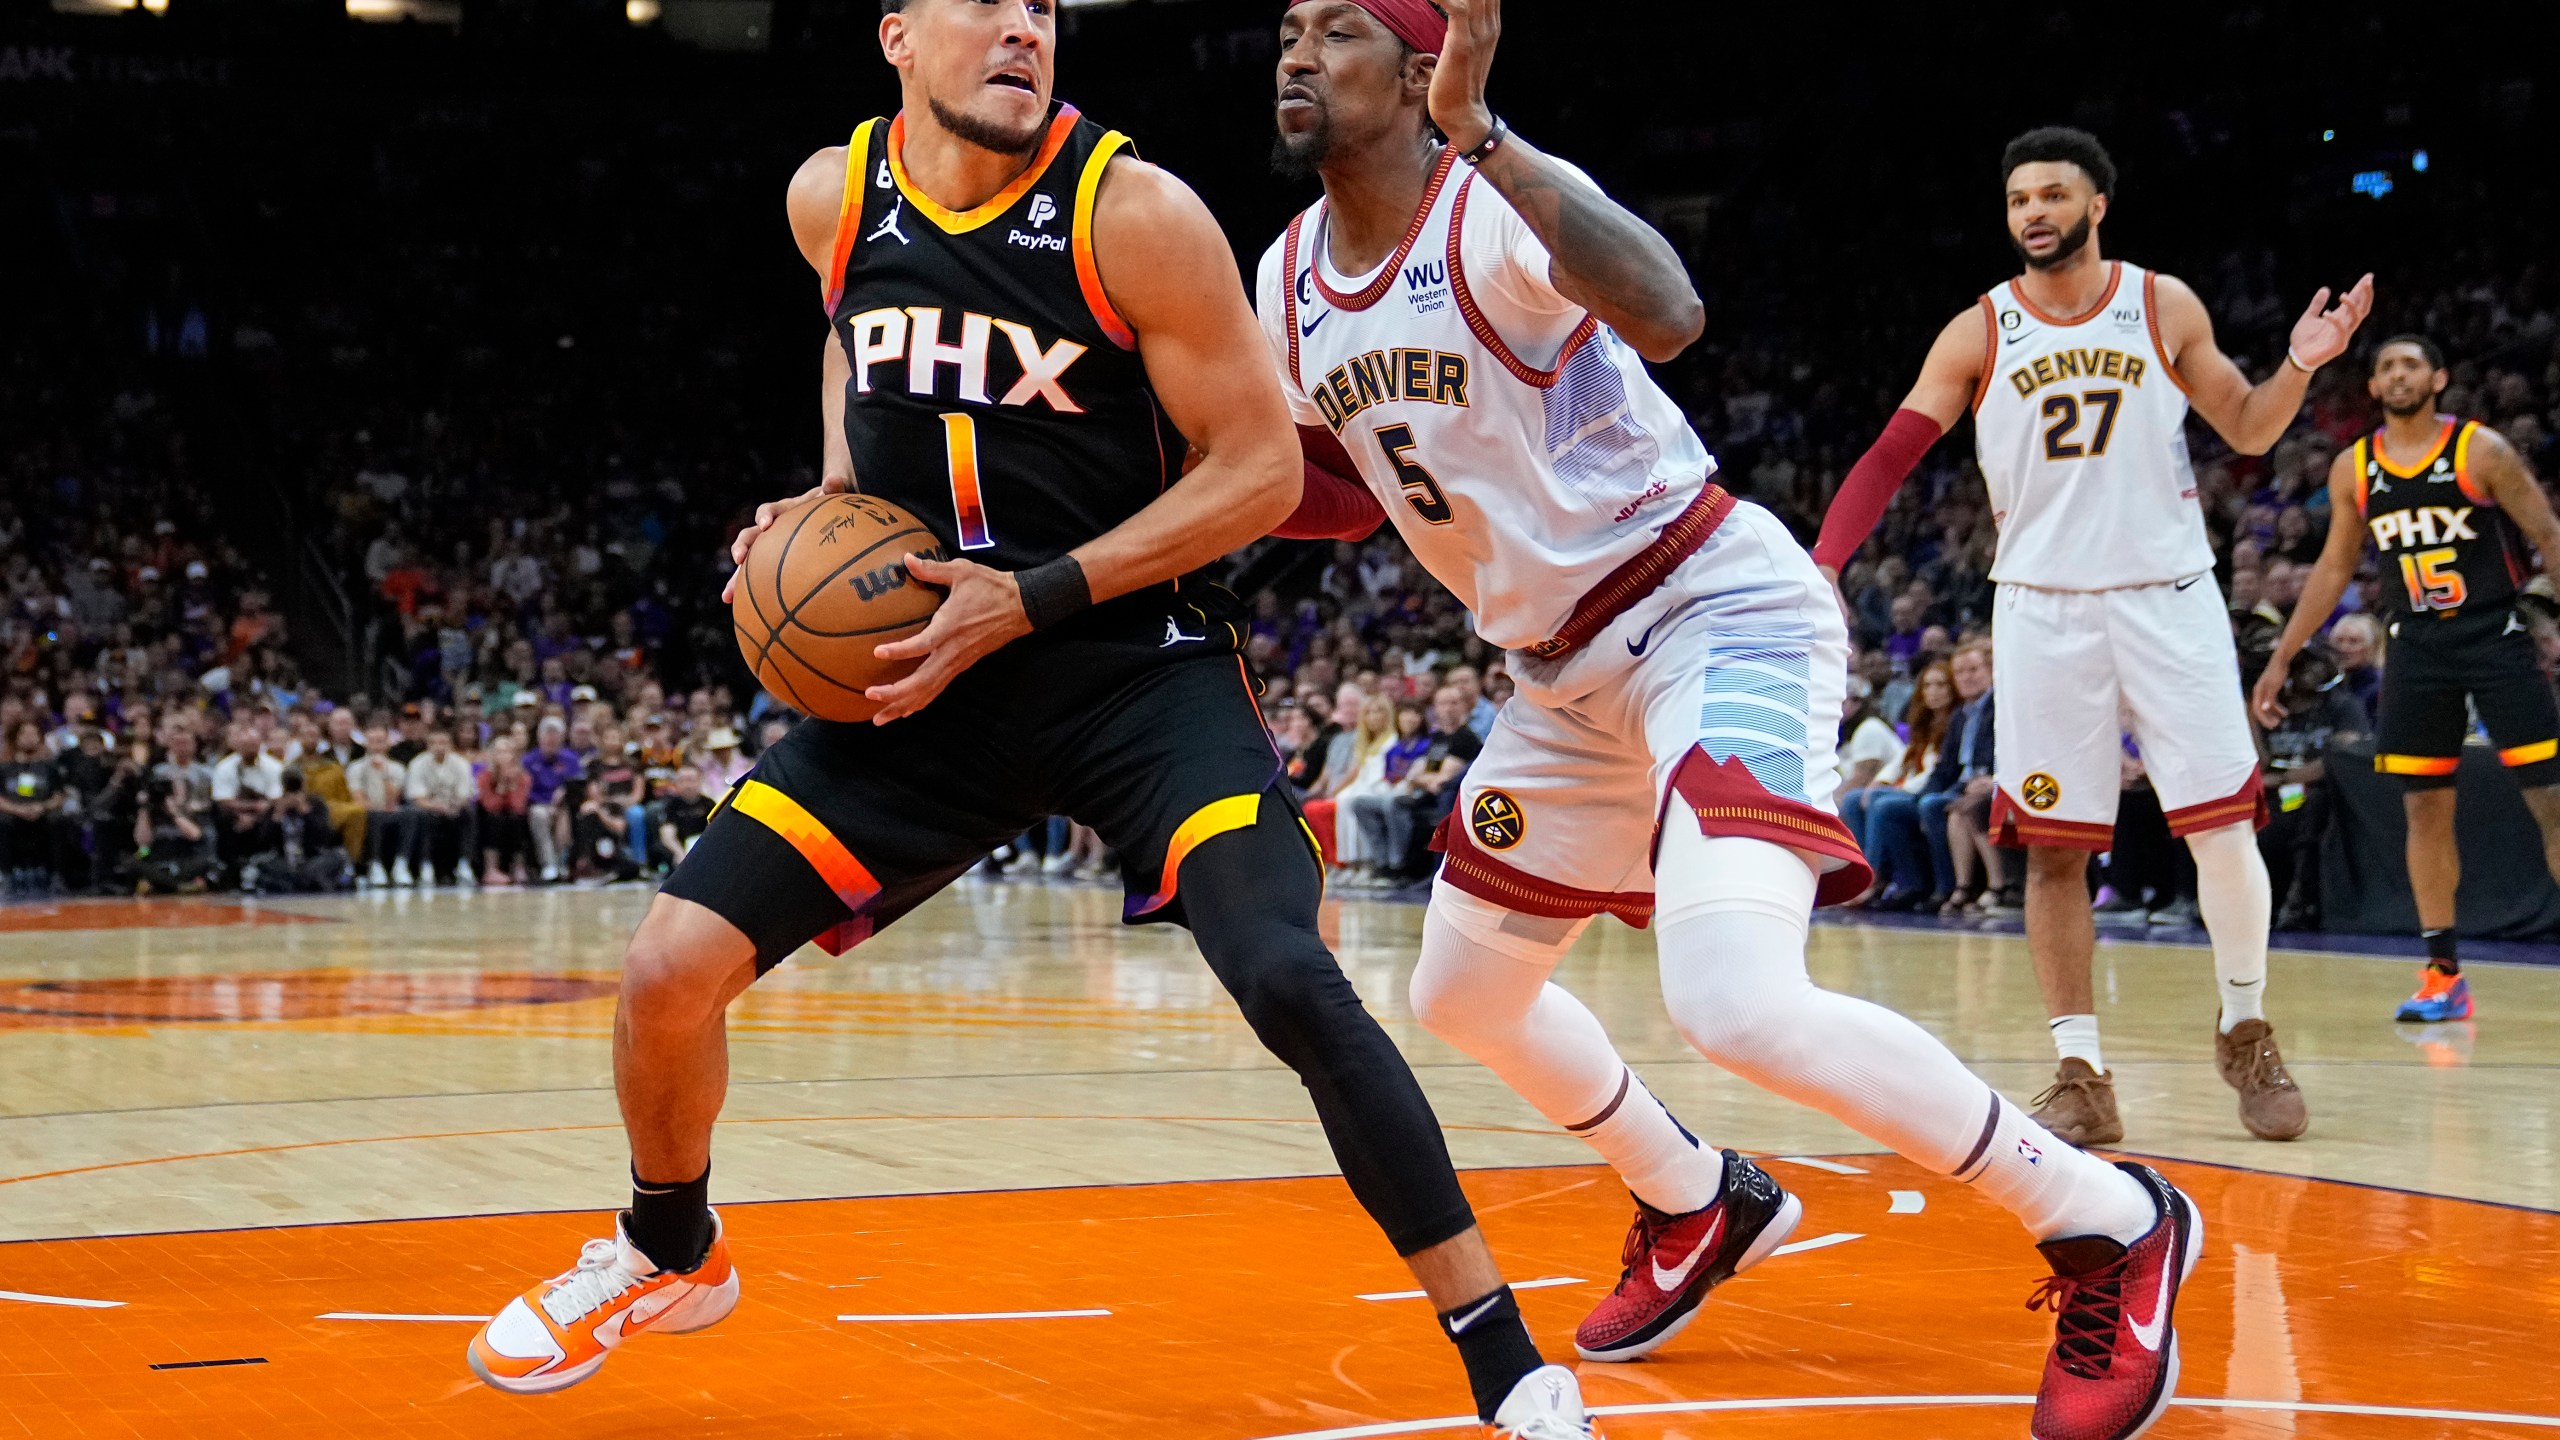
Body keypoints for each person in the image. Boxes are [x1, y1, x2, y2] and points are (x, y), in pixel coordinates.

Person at [469, 2, 1578, 1429]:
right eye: (985, 1)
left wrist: (1036, 593)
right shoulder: (834, 196)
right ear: (895, 38)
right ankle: (668, 1248)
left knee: (1288, 976)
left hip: (1130, 670)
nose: (1020, 28)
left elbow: (1255, 477)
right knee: (667, 971)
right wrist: (826, 491)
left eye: (1043, 9)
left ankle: (1507, 1364)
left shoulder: (1137, 215)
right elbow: (847, 336)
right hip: (927, 678)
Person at [1260, 8, 2199, 1437]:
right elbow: (1343, 480)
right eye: (1285, 28)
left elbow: (1671, 311)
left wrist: (1488, 135)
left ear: (1412, 70)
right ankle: (1700, 1198)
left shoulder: (1489, 205)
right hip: (1558, 672)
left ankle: (2107, 1218)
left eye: (1336, 30)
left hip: (1710, 606)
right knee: (1459, 990)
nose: (1295, 50)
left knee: (1734, 997)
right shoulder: (1283, 278)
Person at [1811, 126, 2361, 1146]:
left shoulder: (2161, 303)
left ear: (2096, 204)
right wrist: (1826, 560)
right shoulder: (1978, 330)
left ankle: (2244, 1029)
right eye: (2018, 197)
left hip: (2167, 594)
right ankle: (2080, 1070)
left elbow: (2245, 427)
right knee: (2054, 851)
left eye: (2053, 194)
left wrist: (2299, 362)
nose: (2032, 212)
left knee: (2221, 825)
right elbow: (1894, 448)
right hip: (2040, 606)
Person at [2253, 335, 2560, 1022]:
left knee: (2550, 799)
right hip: (2415, 649)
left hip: (2494, 636)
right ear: (2373, 387)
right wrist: (2282, 656)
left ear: (2438, 378)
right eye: (2386, 366)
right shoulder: (2354, 468)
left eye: (2410, 364)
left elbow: (2548, 534)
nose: (2398, 374)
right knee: (2423, 810)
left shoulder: (2481, 451)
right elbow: (2333, 569)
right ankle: (2443, 974)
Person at [2256, 647, 2367, 931]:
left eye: (2317, 665)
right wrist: (2248, 710)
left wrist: (2284, 778)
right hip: (2277, 793)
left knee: (2310, 807)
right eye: (2302, 666)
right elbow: (2260, 761)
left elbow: (2340, 759)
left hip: (2320, 792)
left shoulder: (2342, 706)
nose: (2311, 673)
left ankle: (2300, 901)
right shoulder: (2271, 707)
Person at [1851, 661, 1955, 908]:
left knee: (1884, 804)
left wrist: (1899, 789)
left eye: (1941, 685)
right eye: (1928, 685)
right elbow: (1903, 759)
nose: (1934, 691)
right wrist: (1879, 781)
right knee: (1855, 799)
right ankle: (1859, 873)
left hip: (1931, 790)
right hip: (1912, 788)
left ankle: (1875, 877)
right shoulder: (1924, 721)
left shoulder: (1955, 721)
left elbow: (1937, 771)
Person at [403, 727, 478, 886]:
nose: (439, 746)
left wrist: (453, 806)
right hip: (428, 807)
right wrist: (438, 807)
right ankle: (426, 865)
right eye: (434, 743)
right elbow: (417, 797)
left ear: (450, 745)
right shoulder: (417, 764)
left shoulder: (461, 764)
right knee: (423, 816)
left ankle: (464, 864)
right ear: (428, 745)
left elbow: (465, 795)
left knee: (469, 813)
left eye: (443, 742)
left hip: (453, 806)